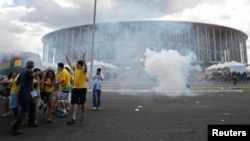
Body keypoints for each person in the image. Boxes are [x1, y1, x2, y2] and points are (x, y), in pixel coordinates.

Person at [10, 61, 50, 135]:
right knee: (24, 110)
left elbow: (18, 81)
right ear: (32, 66)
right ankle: (15, 127)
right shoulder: (28, 71)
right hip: (25, 93)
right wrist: (44, 70)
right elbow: (34, 74)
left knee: (32, 106)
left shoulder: (22, 72)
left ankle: (31, 121)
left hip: (25, 92)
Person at [66, 52, 87, 124]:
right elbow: (70, 64)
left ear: (80, 65)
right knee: (74, 102)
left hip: (82, 88)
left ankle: (83, 114)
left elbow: (86, 67)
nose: (76, 64)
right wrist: (66, 58)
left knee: (83, 102)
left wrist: (83, 59)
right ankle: (73, 117)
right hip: (75, 88)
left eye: (77, 63)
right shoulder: (75, 69)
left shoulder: (84, 70)